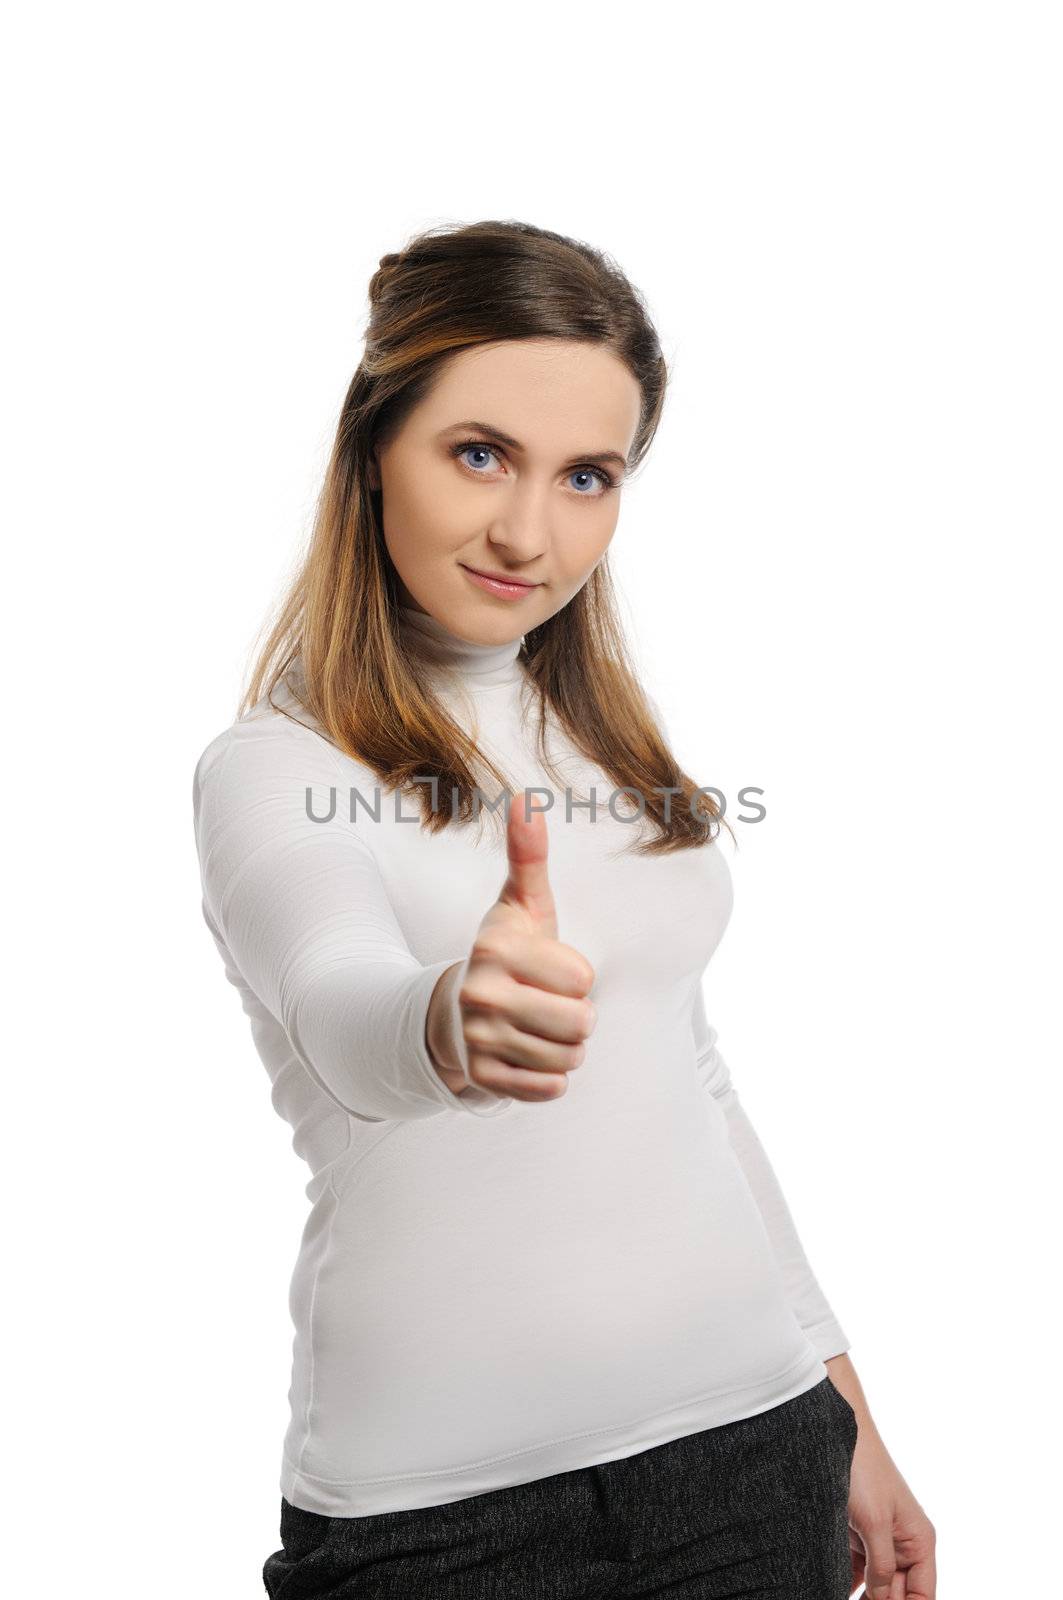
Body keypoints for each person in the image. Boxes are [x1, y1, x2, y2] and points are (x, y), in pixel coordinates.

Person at [192, 219, 936, 1599]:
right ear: (372, 450)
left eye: (585, 476)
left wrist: (849, 1415)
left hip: (756, 1453)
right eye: (479, 453)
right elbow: (340, 999)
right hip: (449, 1523)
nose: (530, 532)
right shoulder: (275, 770)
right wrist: (448, 1021)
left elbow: (694, 1088)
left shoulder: (611, 754)